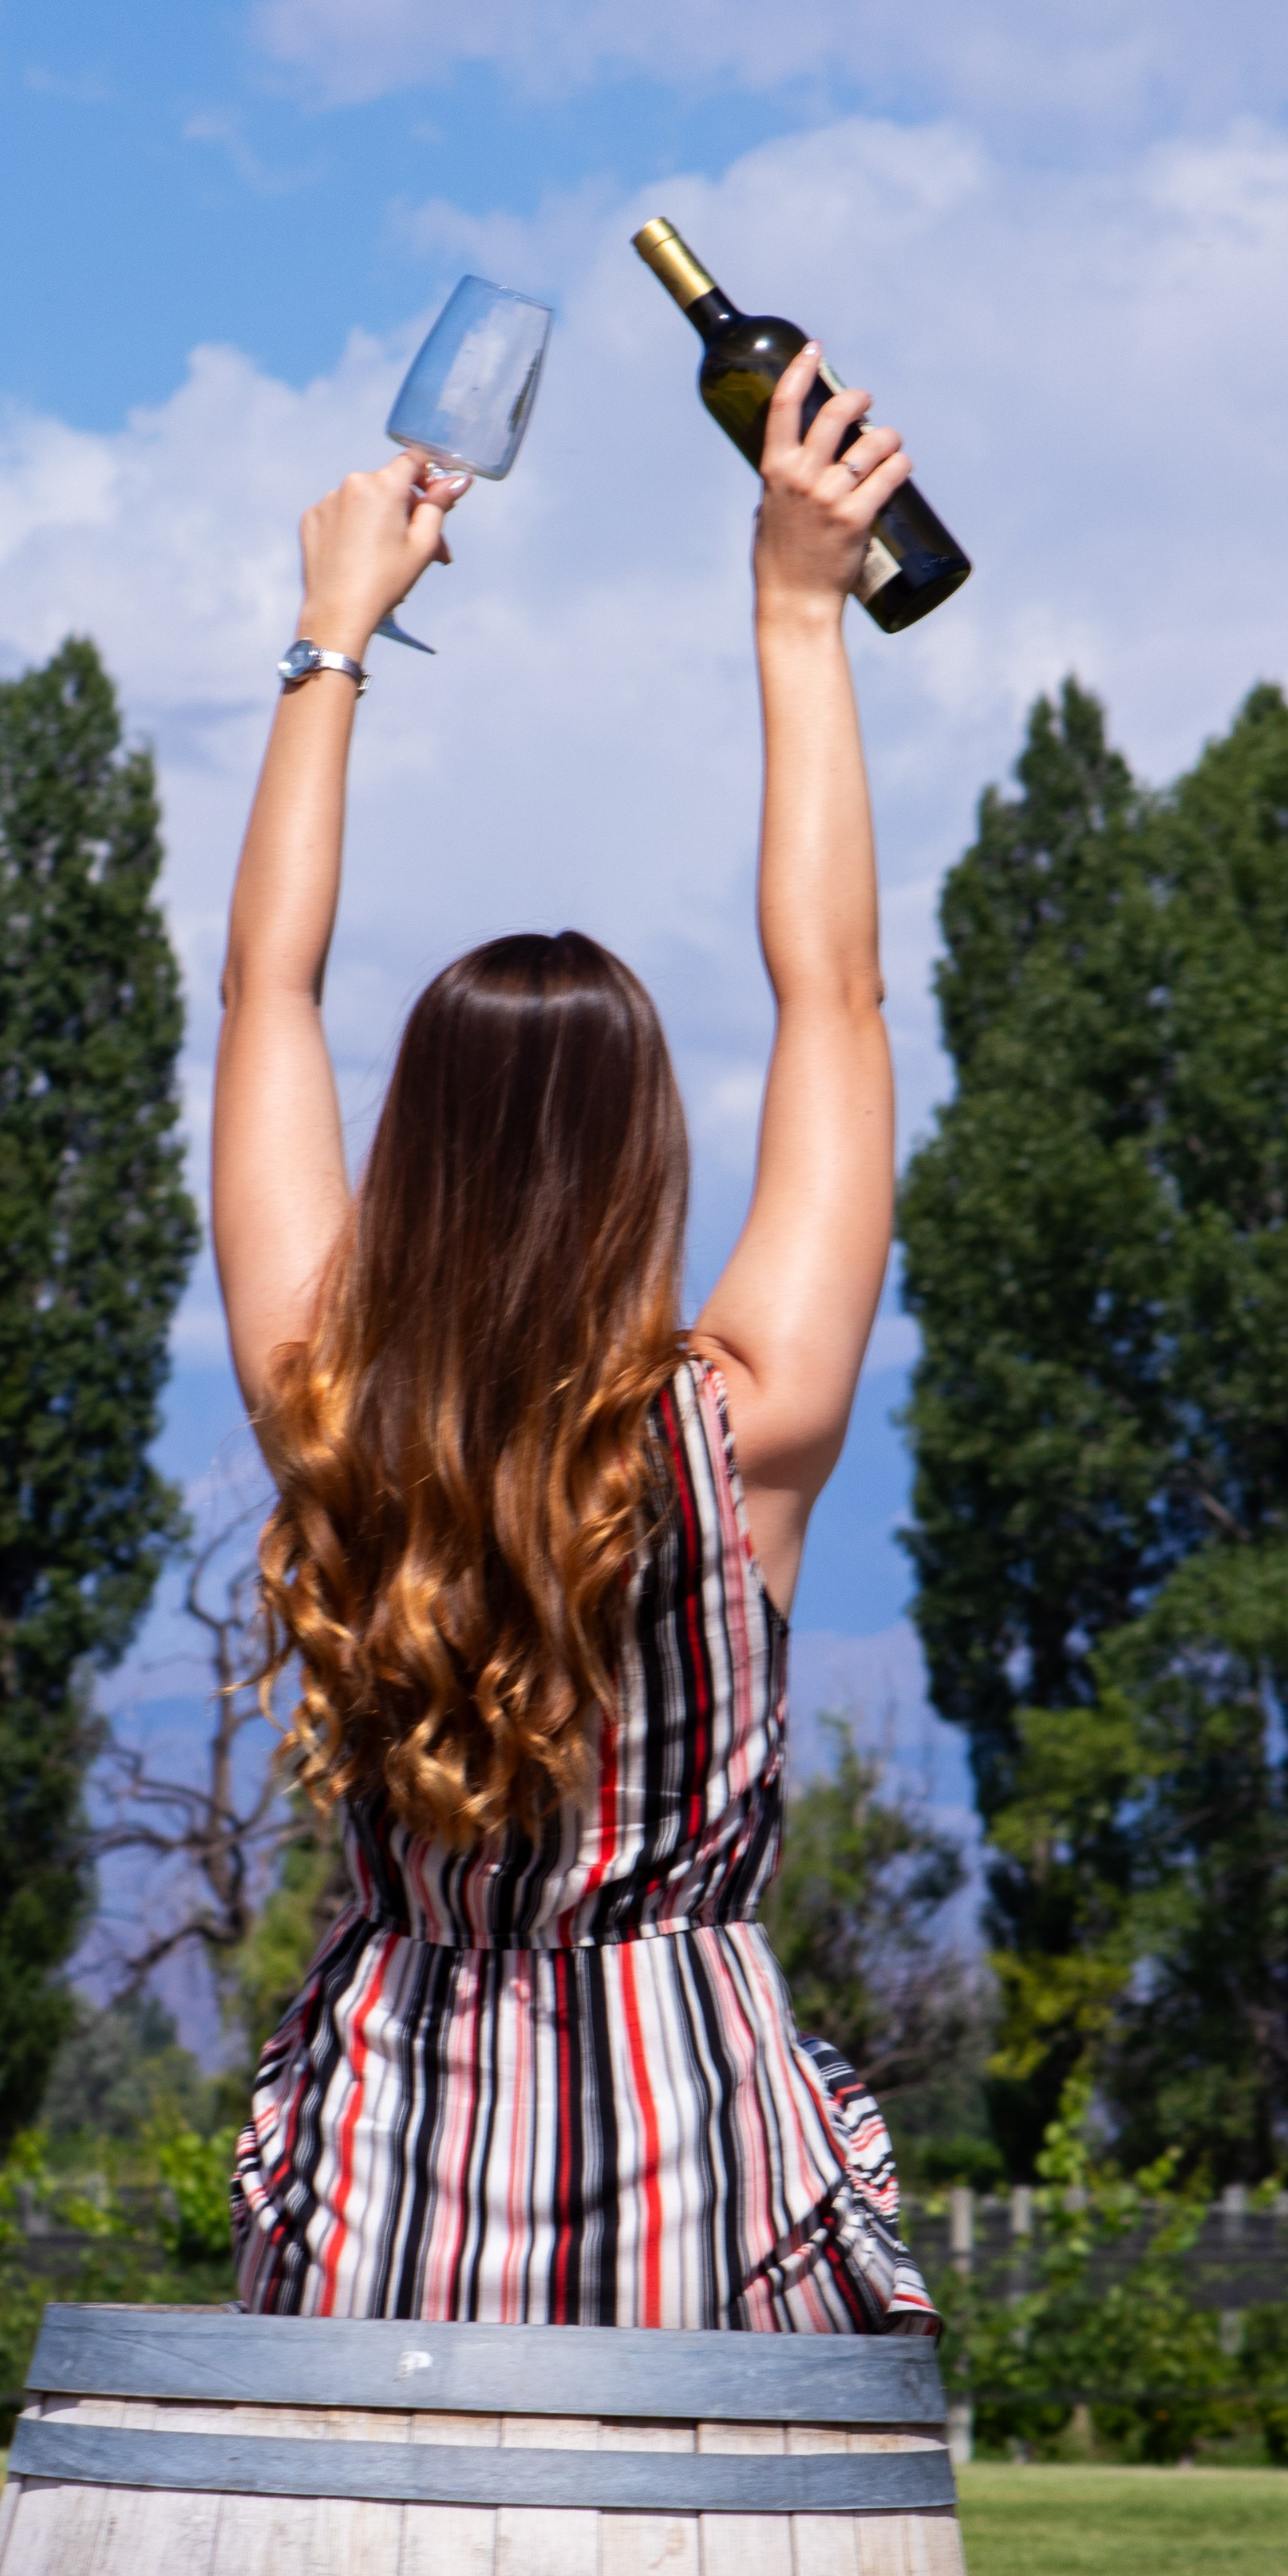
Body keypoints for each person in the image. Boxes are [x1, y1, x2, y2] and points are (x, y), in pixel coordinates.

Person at [213, 343, 935, 2333]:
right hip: (687, 2172)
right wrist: (799, 605)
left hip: (392, 2175)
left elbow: (265, 1000)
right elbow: (840, 1004)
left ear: (410, 1155)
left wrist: (327, 645)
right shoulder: (742, 1432)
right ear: (647, 1163)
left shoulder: (328, 1419)